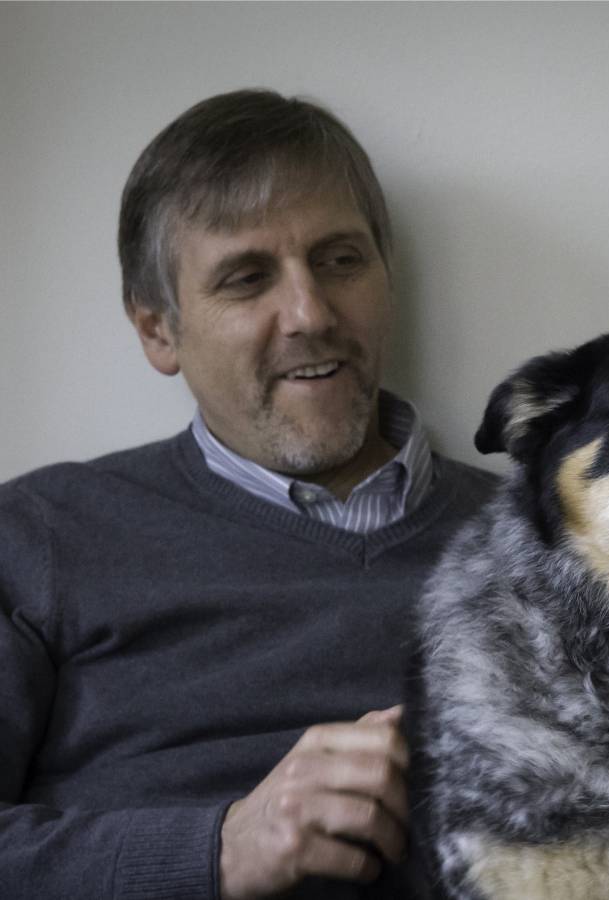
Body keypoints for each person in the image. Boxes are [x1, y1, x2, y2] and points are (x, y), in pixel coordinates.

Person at [0, 90, 496, 899]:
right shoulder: (38, 535)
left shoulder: (559, 537)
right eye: (246, 277)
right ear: (159, 330)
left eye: (341, 260)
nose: (308, 313)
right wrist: (220, 847)